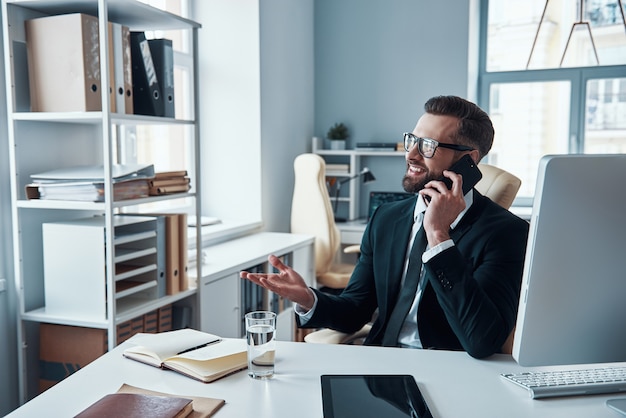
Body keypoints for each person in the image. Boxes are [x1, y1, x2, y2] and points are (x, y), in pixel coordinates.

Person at [240, 95, 529, 358]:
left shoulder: (507, 233)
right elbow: (356, 310)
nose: (411, 154)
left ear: (468, 161)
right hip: (379, 364)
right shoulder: (387, 218)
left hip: (448, 369)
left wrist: (439, 237)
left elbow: (482, 340)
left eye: (427, 146)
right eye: (411, 140)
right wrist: (308, 298)